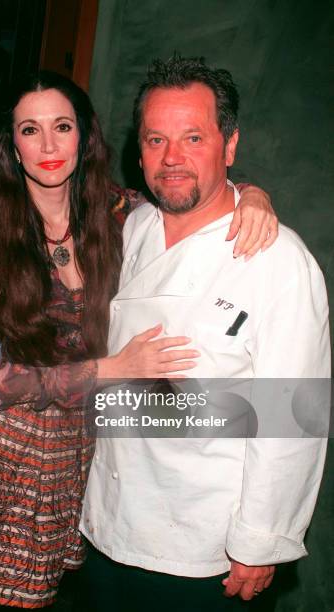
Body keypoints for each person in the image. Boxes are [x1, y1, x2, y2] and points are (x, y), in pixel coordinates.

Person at [0, 71, 276, 611]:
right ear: (10, 145)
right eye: (30, 130)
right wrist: (117, 367)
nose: (50, 145)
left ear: (84, 136)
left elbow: (190, 191)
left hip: (76, 453)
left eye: (62, 126)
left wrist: (253, 194)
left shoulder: (119, 213)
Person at [80, 56, 330, 611]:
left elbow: (294, 417)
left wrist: (260, 541)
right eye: (155, 139)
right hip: (106, 520)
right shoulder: (133, 224)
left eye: (194, 137)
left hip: (203, 550)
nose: (172, 159)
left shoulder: (278, 260)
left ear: (230, 146)